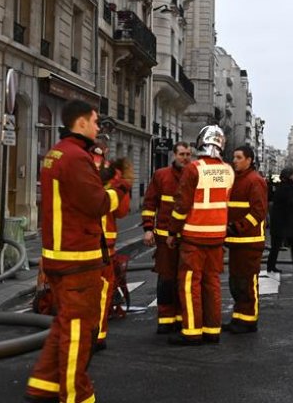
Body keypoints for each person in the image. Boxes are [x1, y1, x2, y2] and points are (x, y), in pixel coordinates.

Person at [26, 100, 122, 403]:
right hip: (78, 259)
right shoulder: (76, 158)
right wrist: (118, 192)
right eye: (95, 122)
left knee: (64, 322)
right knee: (79, 332)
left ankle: (44, 384)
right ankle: (76, 395)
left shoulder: (56, 153)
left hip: (58, 256)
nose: (97, 127)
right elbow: (96, 204)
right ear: (80, 123)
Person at [166, 125, 235, 345]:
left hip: (194, 236)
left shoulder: (194, 168)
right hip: (217, 237)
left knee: (189, 284)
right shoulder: (228, 170)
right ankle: (212, 329)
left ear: (201, 142)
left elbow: (181, 205)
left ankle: (192, 331)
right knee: (212, 283)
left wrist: (172, 231)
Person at [141, 141, 193, 334]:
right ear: (174, 155)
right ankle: (165, 318)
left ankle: (181, 318)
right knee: (166, 280)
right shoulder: (161, 176)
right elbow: (150, 203)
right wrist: (148, 229)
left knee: (184, 280)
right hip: (164, 238)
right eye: (182, 154)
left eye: (188, 154)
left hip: (187, 237)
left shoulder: (194, 176)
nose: (185, 158)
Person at [90, 141, 132, 351]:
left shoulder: (82, 173)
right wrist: (122, 186)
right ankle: (96, 335)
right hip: (102, 247)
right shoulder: (105, 182)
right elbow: (120, 209)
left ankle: (90, 335)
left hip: (92, 246)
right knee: (102, 292)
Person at [223, 145, 268, 334]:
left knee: (247, 283)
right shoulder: (235, 180)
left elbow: (258, 212)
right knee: (236, 283)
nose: (235, 160)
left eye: (239, 157)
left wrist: (237, 227)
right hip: (236, 242)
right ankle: (239, 317)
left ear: (249, 160)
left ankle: (249, 320)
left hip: (249, 242)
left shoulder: (255, 181)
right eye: (234, 157)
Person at [266, 167, 293, 273]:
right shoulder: (286, 188)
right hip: (283, 220)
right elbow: (291, 204)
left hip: (284, 219)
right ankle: (271, 265)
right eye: (292, 175)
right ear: (288, 176)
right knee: (277, 244)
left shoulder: (284, 186)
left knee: (291, 241)